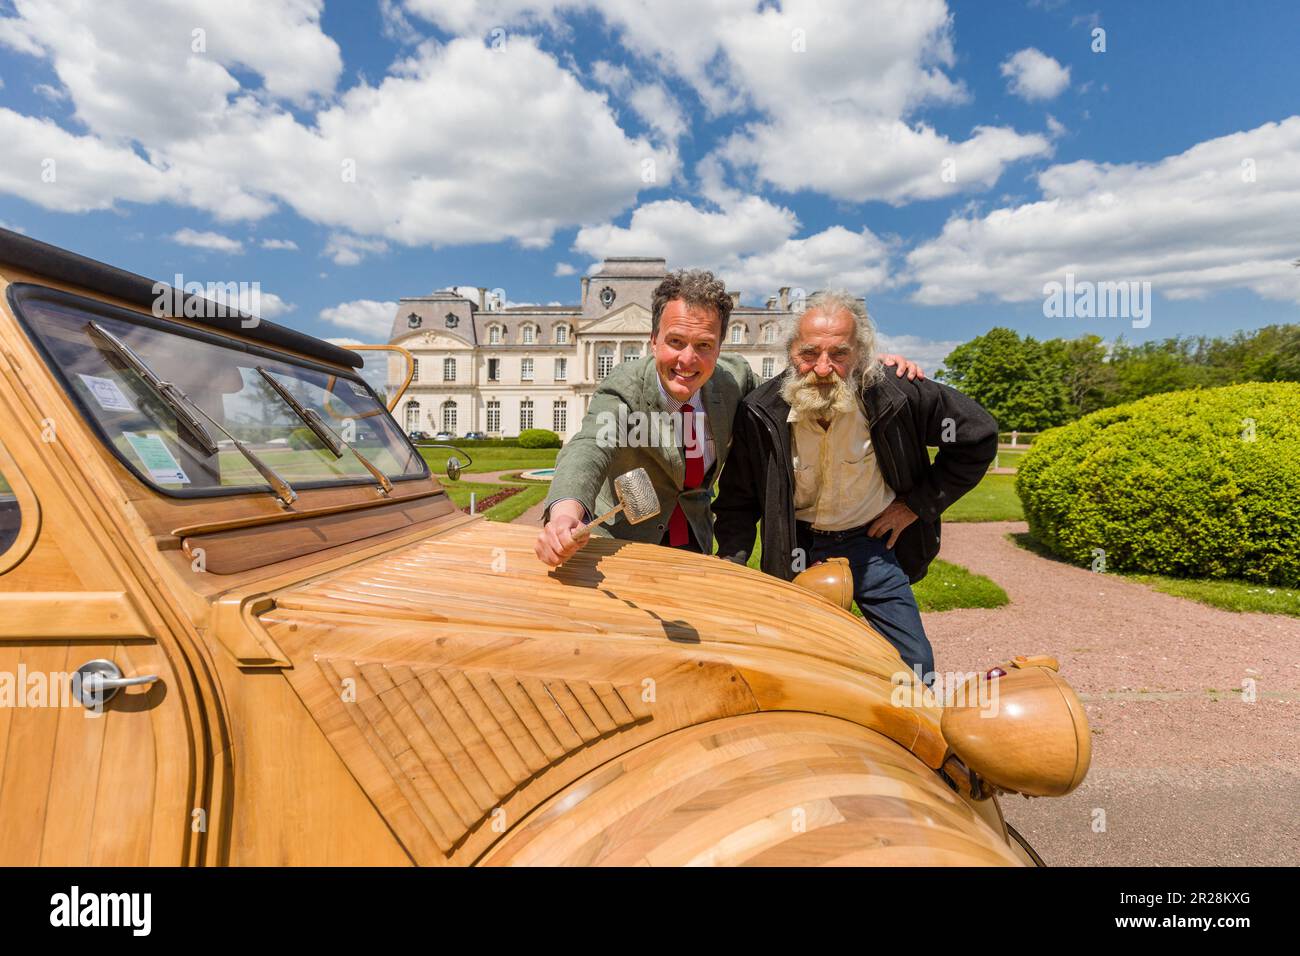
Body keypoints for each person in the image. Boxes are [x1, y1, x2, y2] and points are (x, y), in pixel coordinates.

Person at [534, 270, 923, 566]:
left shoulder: (734, 380)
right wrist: (566, 514)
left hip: (695, 536)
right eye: (675, 342)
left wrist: (871, 370)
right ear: (653, 341)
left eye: (704, 345)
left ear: (720, 347)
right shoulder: (625, 387)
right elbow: (589, 447)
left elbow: (801, 385)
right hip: (620, 540)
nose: (688, 359)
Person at [713, 290, 998, 682]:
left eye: (840, 354)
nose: (823, 367)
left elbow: (978, 434)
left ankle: (913, 737)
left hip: (874, 545)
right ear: (790, 351)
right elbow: (737, 499)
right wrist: (732, 562)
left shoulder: (898, 391)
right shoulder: (761, 410)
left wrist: (916, 505)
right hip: (800, 546)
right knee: (799, 662)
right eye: (809, 354)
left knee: (914, 663)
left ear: (861, 354)